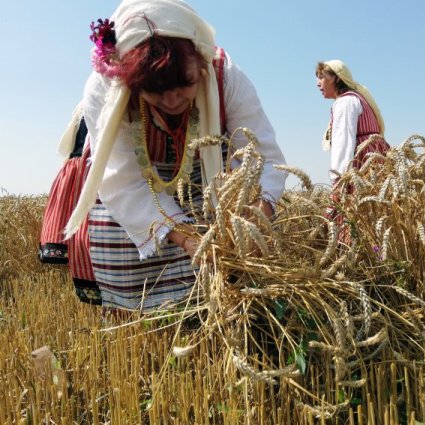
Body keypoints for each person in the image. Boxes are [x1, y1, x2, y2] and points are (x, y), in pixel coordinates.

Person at [63, 0, 287, 311]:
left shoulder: (225, 74)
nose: (171, 100)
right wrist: (185, 237)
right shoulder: (106, 88)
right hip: (134, 185)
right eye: (154, 89)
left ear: (201, 64)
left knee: (222, 273)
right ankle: (140, 320)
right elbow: (121, 179)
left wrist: (254, 216)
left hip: (204, 175)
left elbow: (260, 155)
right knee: (119, 244)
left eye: (185, 83)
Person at [39, 106, 100, 305]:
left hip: (85, 172)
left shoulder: (84, 106)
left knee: (89, 241)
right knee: (87, 241)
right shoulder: (87, 105)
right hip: (85, 174)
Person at [315, 60, 390, 184]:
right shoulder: (356, 98)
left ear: (336, 79)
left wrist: (338, 180)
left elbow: (343, 142)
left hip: (362, 164)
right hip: (377, 162)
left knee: (356, 202)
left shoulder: (345, 102)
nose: (317, 84)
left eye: (321, 77)